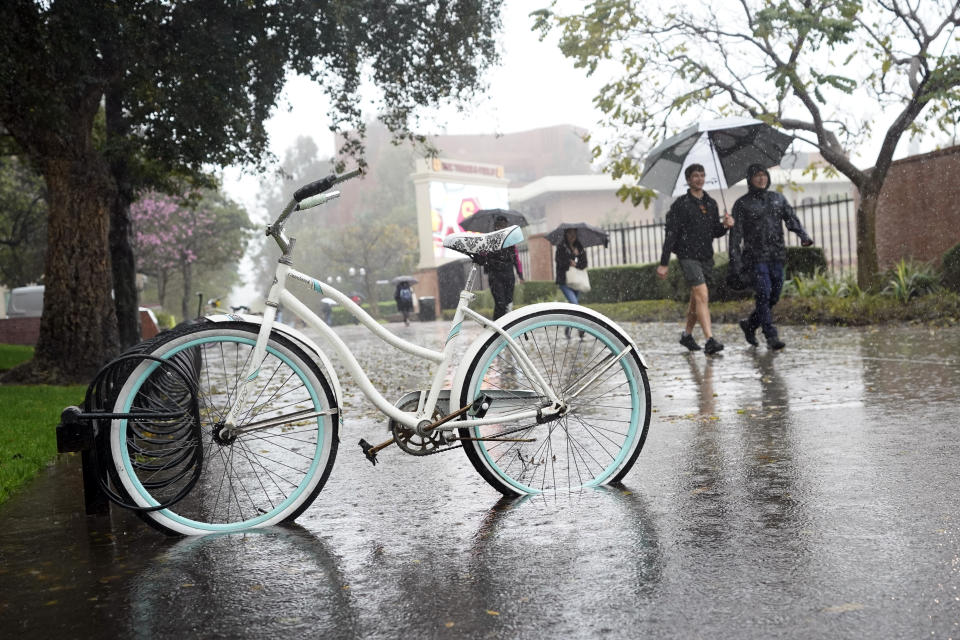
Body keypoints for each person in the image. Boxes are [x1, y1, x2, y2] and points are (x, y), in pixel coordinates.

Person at [729, 163, 814, 350]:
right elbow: (735, 236)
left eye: (764, 175)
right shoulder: (742, 204)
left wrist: (803, 236)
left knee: (774, 295)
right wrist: (735, 261)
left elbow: (791, 218)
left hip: (777, 255)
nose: (761, 178)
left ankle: (750, 324)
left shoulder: (777, 199)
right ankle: (771, 335)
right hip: (755, 257)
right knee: (763, 294)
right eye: (757, 176)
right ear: (750, 180)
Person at [656, 163, 734, 355]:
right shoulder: (680, 205)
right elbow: (671, 235)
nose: (699, 178)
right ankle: (710, 340)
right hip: (687, 256)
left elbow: (714, 232)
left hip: (706, 256)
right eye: (695, 176)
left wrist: (725, 225)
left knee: (696, 298)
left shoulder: (711, 203)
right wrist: (664, 263)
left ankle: (687, 335)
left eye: (702, 175)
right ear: (688, 180)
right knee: (702, 295)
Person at [485, 215, 524, 320]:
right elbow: (484, 258)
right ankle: (496, 328)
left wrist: (520, 275)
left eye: (504, 226)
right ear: (496, 227)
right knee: (500, 304)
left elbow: (516, 258)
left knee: (508, 304)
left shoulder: (511, 241)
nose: (501, 228)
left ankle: (506, 327)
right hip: (495, 276)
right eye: (499, 226)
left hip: (509, 275)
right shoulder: (490, 241)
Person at [555, 227, 587, 338]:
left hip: (576, 281)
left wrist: (577, 259)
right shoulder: (561, 247)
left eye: (574, 234)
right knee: (575, 304)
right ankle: (581, 328)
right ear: (566, 234)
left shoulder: (580, 247)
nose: (572, 236)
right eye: (570, 234)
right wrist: (570, 258)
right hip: (564, 281)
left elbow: (584, 264)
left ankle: (567, 328)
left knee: (572, 307)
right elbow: (559, 262)